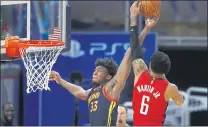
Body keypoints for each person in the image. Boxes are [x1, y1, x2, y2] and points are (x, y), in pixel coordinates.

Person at [49, 1, 154, 126]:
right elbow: (79, 92)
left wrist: (138, 23)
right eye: (95, 69)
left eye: (100, 70)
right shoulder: (93, 92)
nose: (95, 71)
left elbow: (129, 53)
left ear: (109, 76)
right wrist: (60, 80)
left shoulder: (111, 87)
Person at [131, 14, 184, 126]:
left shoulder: (139, 73)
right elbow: (180, 103)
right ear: (166, 70)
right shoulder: (170, 88)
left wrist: (145, 27)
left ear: (150, 65)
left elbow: (135, 47)